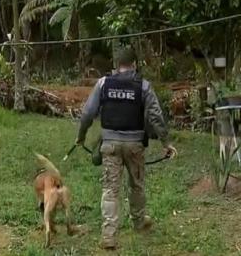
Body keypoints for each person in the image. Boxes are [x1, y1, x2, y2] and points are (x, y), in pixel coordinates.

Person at [75, 48, 177, 250]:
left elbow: (87, 114)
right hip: (134, 145)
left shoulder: (103, 84)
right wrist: (166, 143)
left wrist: (81, 137)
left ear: (116, 65)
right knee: (136, 184)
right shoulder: (144, 86)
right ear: (135, 64)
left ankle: (109, 236)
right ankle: (139, 222)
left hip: (110, 145)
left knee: (110, 189)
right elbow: (156, 116)